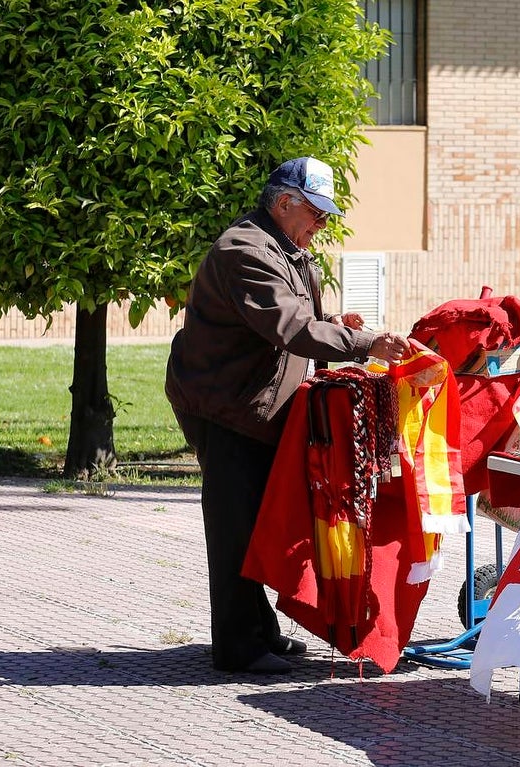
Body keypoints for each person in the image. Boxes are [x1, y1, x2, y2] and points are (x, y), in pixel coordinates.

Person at [165, 157, 411, 674]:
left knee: (257, 523)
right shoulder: (245, 252)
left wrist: (333, 324)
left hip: (256, 408)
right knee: (235, 525)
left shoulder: (291, 253)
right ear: (283, 204)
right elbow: (288, 327)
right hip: (226, 408)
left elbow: (303, 323)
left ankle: (261, 633)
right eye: (316, 213)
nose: (322, 225)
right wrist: (364, 342)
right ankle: (237, 646)